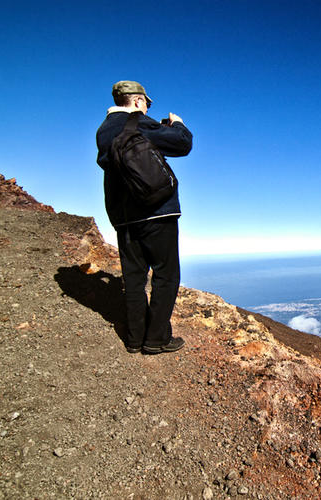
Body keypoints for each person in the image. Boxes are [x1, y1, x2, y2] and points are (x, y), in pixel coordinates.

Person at [96, 80, 193, 354]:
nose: (147, 109)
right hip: (157, 212)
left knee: (135, 278)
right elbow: (183, 144)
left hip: (124, 218)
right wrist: (177, 124)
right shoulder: (140, 122)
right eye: (147, 104)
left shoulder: (103, 132)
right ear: (138, 101)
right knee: (166, 274)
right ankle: (156, 339)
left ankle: (134, 338)